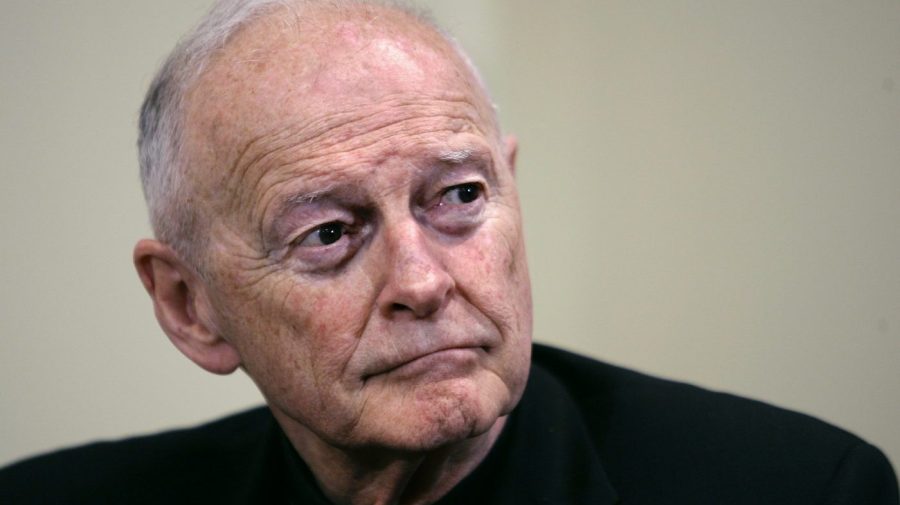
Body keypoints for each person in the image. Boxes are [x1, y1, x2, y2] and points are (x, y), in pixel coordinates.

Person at [1, 1, 897, 503]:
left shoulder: (801, 492)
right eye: (327, 233)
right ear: (190, 306)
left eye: (460, 197)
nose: (424, 281)